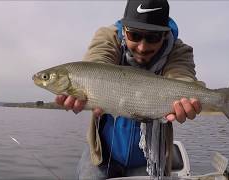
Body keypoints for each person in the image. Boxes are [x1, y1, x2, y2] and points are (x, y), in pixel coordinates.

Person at [56, 0, 204, 179]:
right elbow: (96, 62)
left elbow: (181, 75)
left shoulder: (180, 50)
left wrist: (186, 99)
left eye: (152, 38)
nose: (142, 47)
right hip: (102, 153)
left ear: (165, 35)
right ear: (124, 30)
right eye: (134, 35)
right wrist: (87, 84)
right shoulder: (108, 36)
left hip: (150, 159)